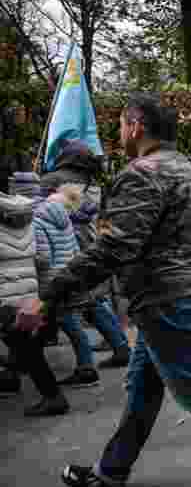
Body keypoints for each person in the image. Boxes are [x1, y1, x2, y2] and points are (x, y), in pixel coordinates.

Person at [16, 93, 191, 487]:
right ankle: (110, 472)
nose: (119, 132)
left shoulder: (143, 173)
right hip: (177, 293)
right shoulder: (186, 169)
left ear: (135, 126)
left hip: (163, 298)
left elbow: (115, 247)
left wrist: (48, 295)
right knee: (142, 388)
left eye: (120, 124)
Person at [41, 140, 132, 373]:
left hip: (60, 247)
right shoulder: (92, 184)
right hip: (90, 244)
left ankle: (85, 365)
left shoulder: (51, 181)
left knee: (64, 302)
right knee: (90, 299)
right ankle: (120, 346)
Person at [0, 182, 69, 414]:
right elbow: (41, 257)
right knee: (24, 343)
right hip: (28, 290)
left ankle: (52, 397)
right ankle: (15, 378)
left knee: (26, 347)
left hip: (5, 293)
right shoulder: (26, 219)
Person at [32, 187, 100, 388]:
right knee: (56, 322)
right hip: (69, 276)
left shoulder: (38, 221)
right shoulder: (66, 220)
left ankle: (87, 369)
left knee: (68, 323)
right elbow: (76, 251)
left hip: (52, 281)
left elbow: (43, 258)